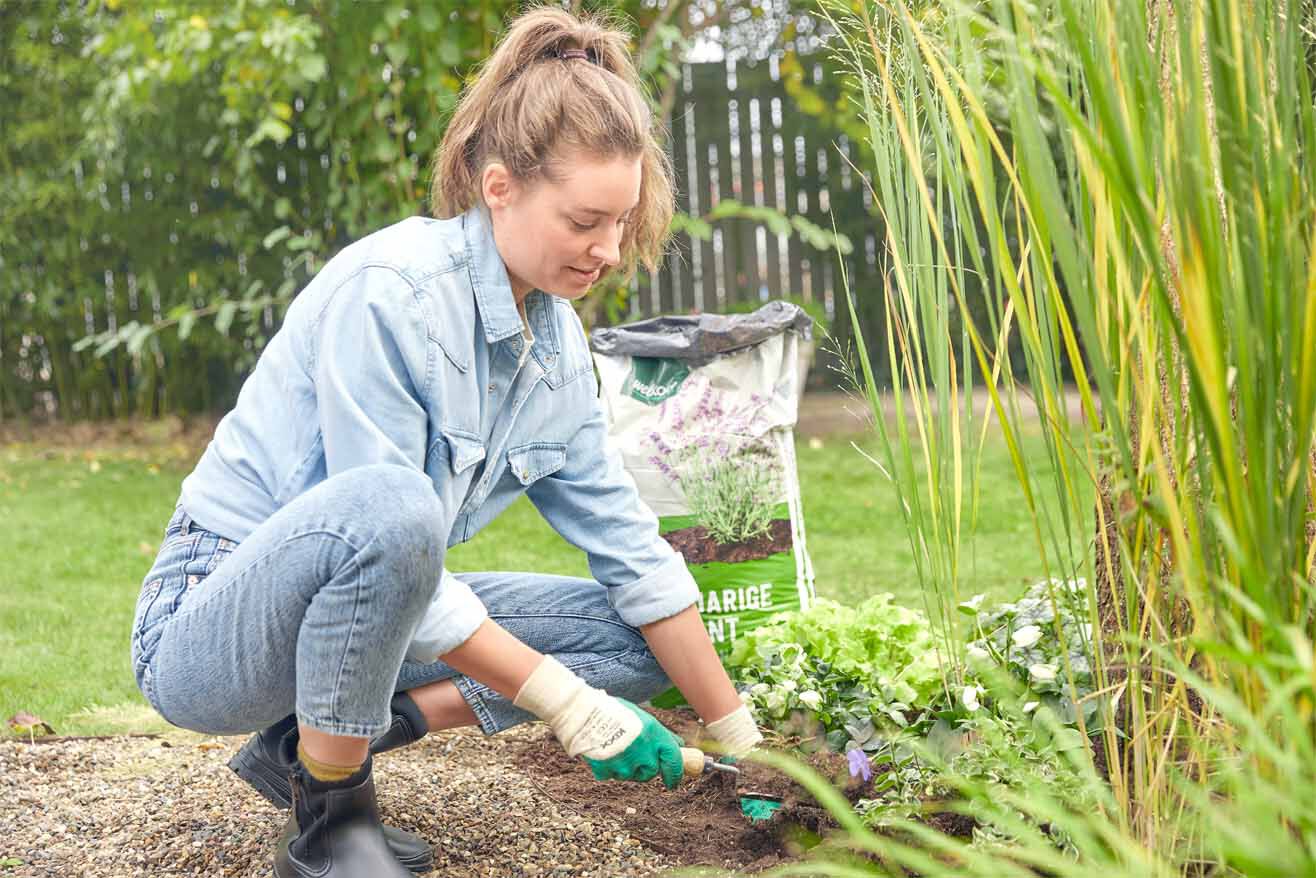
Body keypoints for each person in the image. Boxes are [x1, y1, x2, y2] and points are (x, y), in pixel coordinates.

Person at [128, 6, 762, 877]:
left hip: (363, 617)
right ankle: (332, 823)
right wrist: (571, 707)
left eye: (622, 222)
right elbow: (386, 535)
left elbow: (634, 554)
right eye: (585, 221)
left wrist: (746, 745)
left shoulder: (559, 347)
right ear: (499, 187)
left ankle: (310, 749)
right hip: (210, 627)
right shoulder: (390, 293)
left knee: (633, 634)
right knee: (397, 509)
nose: (610, 249)